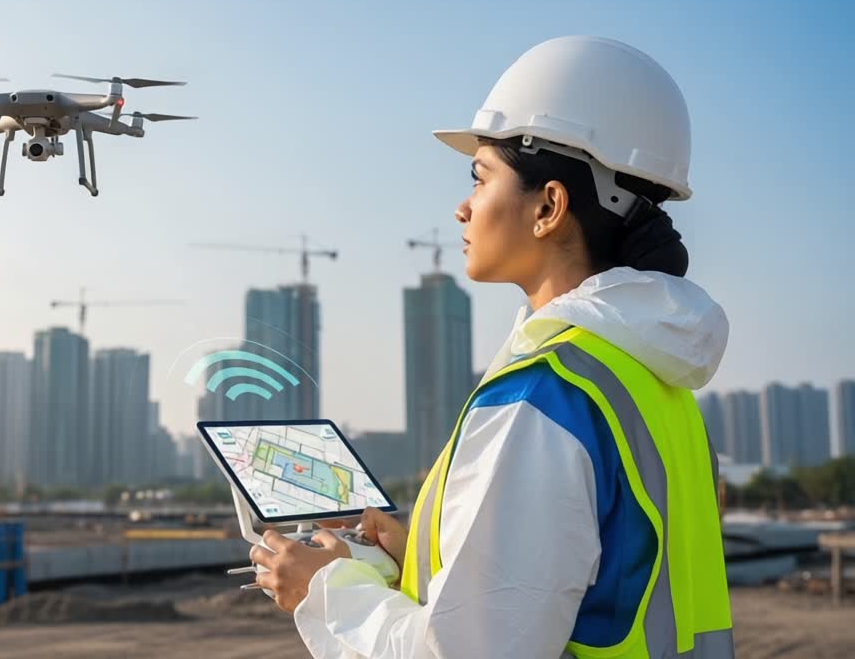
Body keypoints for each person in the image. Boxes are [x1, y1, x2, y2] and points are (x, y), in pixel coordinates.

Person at [249, 36, 734, 658]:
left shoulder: (544, 397)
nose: (462, 208)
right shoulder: (656, 386)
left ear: (549, 207)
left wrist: (325, 591)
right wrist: (421, 551)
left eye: (480, 178)